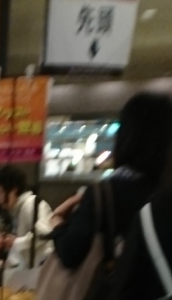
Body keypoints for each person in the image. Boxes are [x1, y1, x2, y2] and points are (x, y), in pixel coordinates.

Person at [49, 92, 172, 272]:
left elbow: (70, 253)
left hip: (121, 288)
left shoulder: (106, 194)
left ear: (126, 136)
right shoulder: (164, 192)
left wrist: (57, 221)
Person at [0, 165, 53, 267]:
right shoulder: (20, 209)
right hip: (34, 268)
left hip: (42, 267)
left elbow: (43, 234)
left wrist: (15, 241)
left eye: (0, 192)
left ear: (13, 190)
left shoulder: (31, 204)